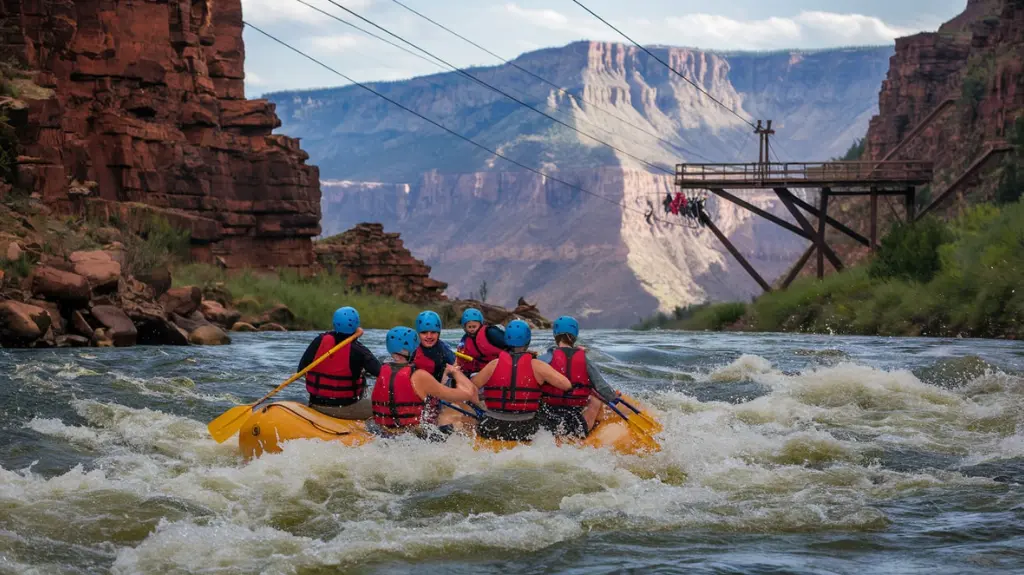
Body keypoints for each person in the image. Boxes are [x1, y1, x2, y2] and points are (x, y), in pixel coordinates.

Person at [471, 320, 572, 441]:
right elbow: (566, 385)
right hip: (525, 428)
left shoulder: (493, 364)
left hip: (493, 426)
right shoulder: (537, 365)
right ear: (528, 341)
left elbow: (471, 387)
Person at [370, 326, 477, 440]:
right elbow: (469, 393)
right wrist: (456, 373)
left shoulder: (382, 371)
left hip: (385, 433)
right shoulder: (419, 375)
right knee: (461, 411)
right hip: (415, 438)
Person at [537, 316, 618, 438]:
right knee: (596, 400)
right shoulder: (585, 360)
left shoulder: (545, 359)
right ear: (575, 336)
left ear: (555, 335)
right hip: (576, 423)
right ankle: (585, 435)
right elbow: (602, 387)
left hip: (548, 421)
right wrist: (614, 398)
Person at [297, 306, 381, 420]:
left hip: (316, 403)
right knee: (383, 406)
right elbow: (382, 374)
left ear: (334, 323)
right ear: (357, 325)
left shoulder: (319, 341)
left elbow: (301, 369)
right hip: (345, 408)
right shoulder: (359, 351)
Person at [456, 307, 507, 376]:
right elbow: (460, 359)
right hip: (480, 372)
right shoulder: (465, 340)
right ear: (465, 327)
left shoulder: (491, 333)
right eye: (469, 327)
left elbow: (509, 345)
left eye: (474, 327)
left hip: (499, 367)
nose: (472, 330)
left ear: (480, 324)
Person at [411, 310, 456, 384]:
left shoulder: (445, 352)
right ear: (418, 334)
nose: (429, 336)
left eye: (433, 332)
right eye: (424, 332)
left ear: (439, 333)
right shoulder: (413, 352)